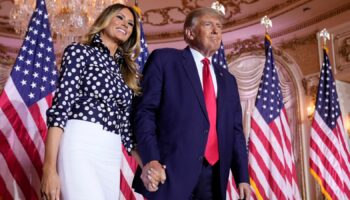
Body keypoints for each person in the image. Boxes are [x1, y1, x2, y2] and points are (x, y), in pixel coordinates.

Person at [132, 7, 251, 200]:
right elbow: (144, 112)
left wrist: (242, 177)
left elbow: (236, 131)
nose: (216, 31)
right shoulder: (165, 60)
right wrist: (151, 159)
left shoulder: (228, 79)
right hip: (169, 173)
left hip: (214, 177)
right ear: (190, 32)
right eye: (208, 25)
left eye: (219, 27)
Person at [41, 3, 142, 200]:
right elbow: (60, 109)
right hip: (80, 142)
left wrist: (148, 163)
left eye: (131, 23)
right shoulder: (79, 52)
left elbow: (127, 132)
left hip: (111, 150)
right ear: (105, 19)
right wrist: (49, 168)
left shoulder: (127, 71)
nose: (126, 25)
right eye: (120, 17)